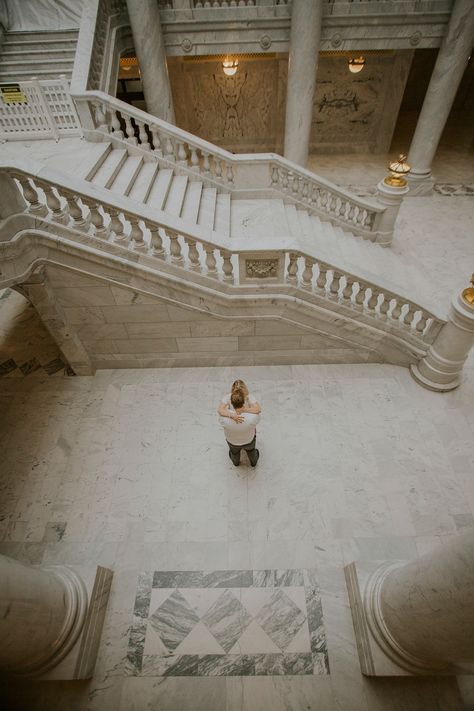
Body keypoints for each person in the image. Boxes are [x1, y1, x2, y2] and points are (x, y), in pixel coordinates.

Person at [218, 386, 260, 467]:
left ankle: (236, 463)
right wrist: (247, 409)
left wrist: (230, 414)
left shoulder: (224, 419)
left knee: (234, 453)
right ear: (244, 402)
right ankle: (253, 463)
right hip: (249, 440)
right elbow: (258, 412)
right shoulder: (252, 417)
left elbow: (220, 411)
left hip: (232, 441)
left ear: (232, 404)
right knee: (251, 451)